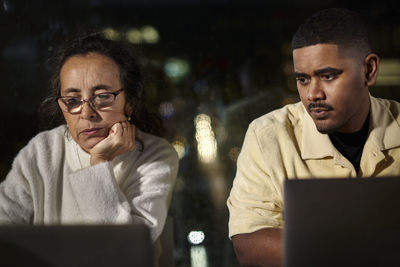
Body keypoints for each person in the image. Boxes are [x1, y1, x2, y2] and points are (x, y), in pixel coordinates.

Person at [227, 8, 400, 267]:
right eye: (303, 79)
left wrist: (319, 245)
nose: (312, 94)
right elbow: (248, 245)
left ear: (369, 70)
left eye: (328, 76)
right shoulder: (268, 135)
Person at [0, 33, 179, 246]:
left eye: (102, 97)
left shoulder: (155, 155)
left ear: (129, 102)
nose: (86, 112)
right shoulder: (42, 151)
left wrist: (100, 161)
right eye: (73, 100)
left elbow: (124, 250)